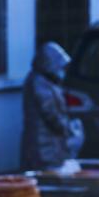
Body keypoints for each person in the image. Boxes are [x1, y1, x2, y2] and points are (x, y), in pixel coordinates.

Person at [21, 42, 82, 170]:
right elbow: (52, 115)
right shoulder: (39, 83)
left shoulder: (46, 82)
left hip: (48, 148)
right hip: (43, 148)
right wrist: (70, 130)